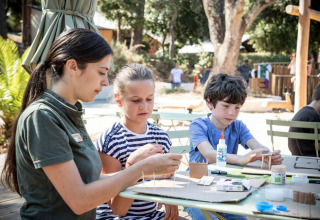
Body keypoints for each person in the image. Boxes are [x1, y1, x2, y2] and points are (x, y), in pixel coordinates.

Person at [0, 28, 181, 220]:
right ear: (73, 67)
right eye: (102, 72)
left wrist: (137, 169)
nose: (105, 82)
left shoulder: (69, 114)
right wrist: (139, 169)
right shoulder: (42, 117)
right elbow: (79, 200)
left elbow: (89, 181)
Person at [184, 73, 283, 220]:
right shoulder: (199, 125)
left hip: (224, 188)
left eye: (237, 107)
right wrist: (241, 159)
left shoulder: (237, 126)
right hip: (194, 189)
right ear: (209, 103)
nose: (232, 113)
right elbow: (209, 154)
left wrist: (268, 155)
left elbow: (257, 147)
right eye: (226, 106)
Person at [95, 63, 181, 220]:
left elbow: (166, 177)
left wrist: (170, 198)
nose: (144, 106)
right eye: (136, 100)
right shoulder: (111, 141)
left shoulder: (160, 137)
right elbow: (118, 209)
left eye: (149, 99)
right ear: (119, 100)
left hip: (149, 214)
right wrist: (133, 166)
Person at [288, 84, 320, 157]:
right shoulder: (315, 117)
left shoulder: (301, 112)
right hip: (312, 159)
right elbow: (318, 146)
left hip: (296, 157)